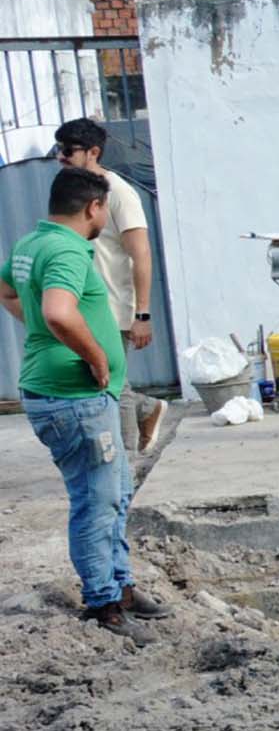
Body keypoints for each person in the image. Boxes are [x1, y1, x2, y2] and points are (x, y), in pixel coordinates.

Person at [1, 167, 163, 637]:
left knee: (116, 491)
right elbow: (58, 312)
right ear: (94, 207)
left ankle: (121, 585)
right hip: (75, 398)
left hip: (72, 395)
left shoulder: (31, 243)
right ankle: (103, 604)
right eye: (104, 210)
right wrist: (96, 356)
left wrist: (40, 326)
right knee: (96, 501)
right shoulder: (67, 250)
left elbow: (8, 290)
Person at [54, 119, 166, 457]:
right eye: (58, 149)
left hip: (111, 306)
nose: (60, 157)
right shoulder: (71, 193)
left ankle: (126, 462)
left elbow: (141, 254)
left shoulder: (118, 193)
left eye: (68, 150)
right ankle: (146, 410)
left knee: (113, 385)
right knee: (99, 378)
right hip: (80, 305)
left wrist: (142, 314)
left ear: (93, 152)